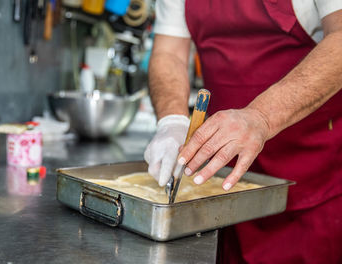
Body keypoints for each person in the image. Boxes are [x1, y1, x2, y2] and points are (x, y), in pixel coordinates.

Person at [144, 0, 342, 263]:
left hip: (311, 181)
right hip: (223, 186)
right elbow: (170, 52)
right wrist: (171, 121)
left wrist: (261, 117)